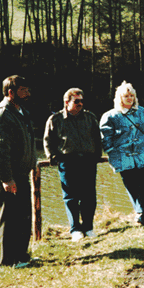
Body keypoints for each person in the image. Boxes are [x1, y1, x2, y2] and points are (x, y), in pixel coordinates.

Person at [0, 75, 37, 268]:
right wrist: (6, 178)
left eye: (27, 90)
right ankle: (8, 262)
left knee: (23, 215)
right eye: (23, 90)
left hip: (21, 173)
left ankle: (22, 257)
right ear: (11, 92)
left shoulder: (20, 112)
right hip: (7, 175)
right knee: (8, 217)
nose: (28, 94)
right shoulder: (1, 115)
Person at [44, 88, 102, 241]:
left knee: (89, 196)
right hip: (68, 162)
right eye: (77, 101)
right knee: (71, 197)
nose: (80, 104)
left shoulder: (90, 117)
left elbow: (97, 137)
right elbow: (48, 141)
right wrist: (54, 157)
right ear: (66, 102)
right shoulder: (55, 120)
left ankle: (88, 227)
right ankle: (75, 229)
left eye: (82, 101)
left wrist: (97, 155)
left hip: (88, 161)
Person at [100, 81, 144, 226]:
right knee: (132, 187)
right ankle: (142, 214)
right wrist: (112, 152)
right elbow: (106, 138)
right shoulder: (110, 116)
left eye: (132, 95)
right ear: (120, 97)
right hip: (123, 158)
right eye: (126, 96)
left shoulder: (143, 112)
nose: (130, 98)